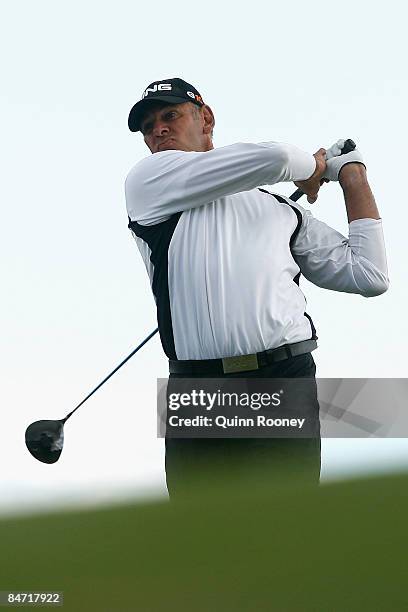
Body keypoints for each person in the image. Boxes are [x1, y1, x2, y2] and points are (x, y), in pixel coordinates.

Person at [125, 77, 389, 498]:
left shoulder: (280, 210)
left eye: (170, 116)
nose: (157, 130)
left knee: (284, 534)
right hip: (199, 391)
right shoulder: (148, 180)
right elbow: (282, 157)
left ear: (205, 118)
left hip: (283, 377)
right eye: (148, 126)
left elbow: (369, 275)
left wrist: (353, 177)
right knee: (199, 540)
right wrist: (316, 168)